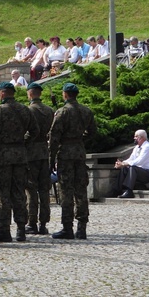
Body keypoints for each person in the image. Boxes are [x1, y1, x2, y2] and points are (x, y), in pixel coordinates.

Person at [0, 81, 38, 243]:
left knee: (2, 193)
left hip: (2, 156)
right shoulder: (24, 110)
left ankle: (4, 229)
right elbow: (35, 130)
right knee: (19, 192)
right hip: (20, 156)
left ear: (3, 93)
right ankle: (21, 229)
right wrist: (23, 142)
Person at [48, 83, 96, 240]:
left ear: (65, 94)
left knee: (66, 192)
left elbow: (54, 138)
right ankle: (82, 228)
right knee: (81, 191)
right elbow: (92, 132)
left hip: (66, 155)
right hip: (79, 153)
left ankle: (67, 227)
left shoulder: (62, 112)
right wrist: (80, 140)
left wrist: (51, 159)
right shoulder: (86, 111)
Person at [25, 82, 54, 235]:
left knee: (31, 189)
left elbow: (27, 132)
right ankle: (43, 223)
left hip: (31, 153)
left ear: (30, 93)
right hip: (44, 151)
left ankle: (31, 222)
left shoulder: (28, 110)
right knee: (44, 190)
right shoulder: (49, 110)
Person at [114, 129, 149, 198]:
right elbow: (131, 159)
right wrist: (121, 163)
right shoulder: (136, 147)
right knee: (125, 168)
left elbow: (139, 161)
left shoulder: (147, 147)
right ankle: (117, 190)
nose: (134, 138)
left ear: (141, 137)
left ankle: (129, 192)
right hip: (143, 171)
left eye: (135, 136)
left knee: (133, 168)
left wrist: (124, 164)